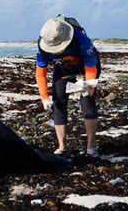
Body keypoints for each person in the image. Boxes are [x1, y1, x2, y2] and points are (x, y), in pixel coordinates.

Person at [35, 16, 101, 158]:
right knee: (58, 104)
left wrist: (89, 87)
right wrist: (44, 98)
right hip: (62, 70)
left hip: (85, 69)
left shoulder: (80, 39)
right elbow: (40, 73)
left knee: (87, 102)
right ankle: (62, 147)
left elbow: (91, 66)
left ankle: (91, 147)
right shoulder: (42, 46)